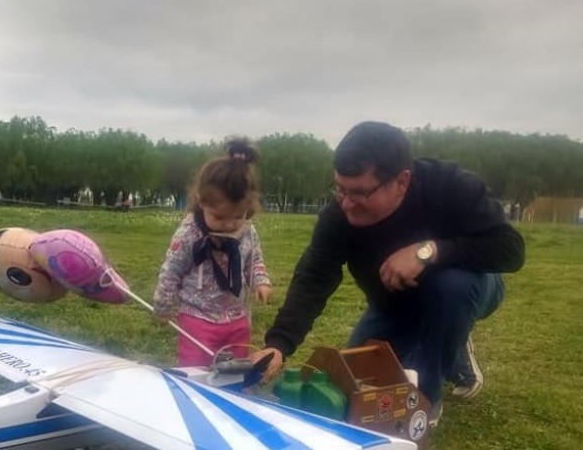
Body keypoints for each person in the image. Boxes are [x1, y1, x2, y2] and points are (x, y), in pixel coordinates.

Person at [252, 121, 524, 426]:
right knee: (353, 382)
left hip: (466, 290)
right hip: (394, 306)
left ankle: (427, 396)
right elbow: (314, 277)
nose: (347, 203)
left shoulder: (450, 186)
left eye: (359, 192)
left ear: (402, 181)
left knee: (451, 287)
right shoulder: (338, 216)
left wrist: (428, 251)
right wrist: (279, 344)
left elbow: (511, 249)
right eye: (339, 188)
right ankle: (451, 339)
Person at [153, 138, 274, 367]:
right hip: (197, 317)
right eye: (219, 217)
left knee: (236, 367)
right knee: (196, 367)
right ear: (201, 202)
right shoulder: (190, 233)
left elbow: (254, 259)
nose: (229, 225)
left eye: (237, 216)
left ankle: (234, 388)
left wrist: (261, 281)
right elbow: (172, 270)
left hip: (237, 317)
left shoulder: (247, 231)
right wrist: (163, 304)